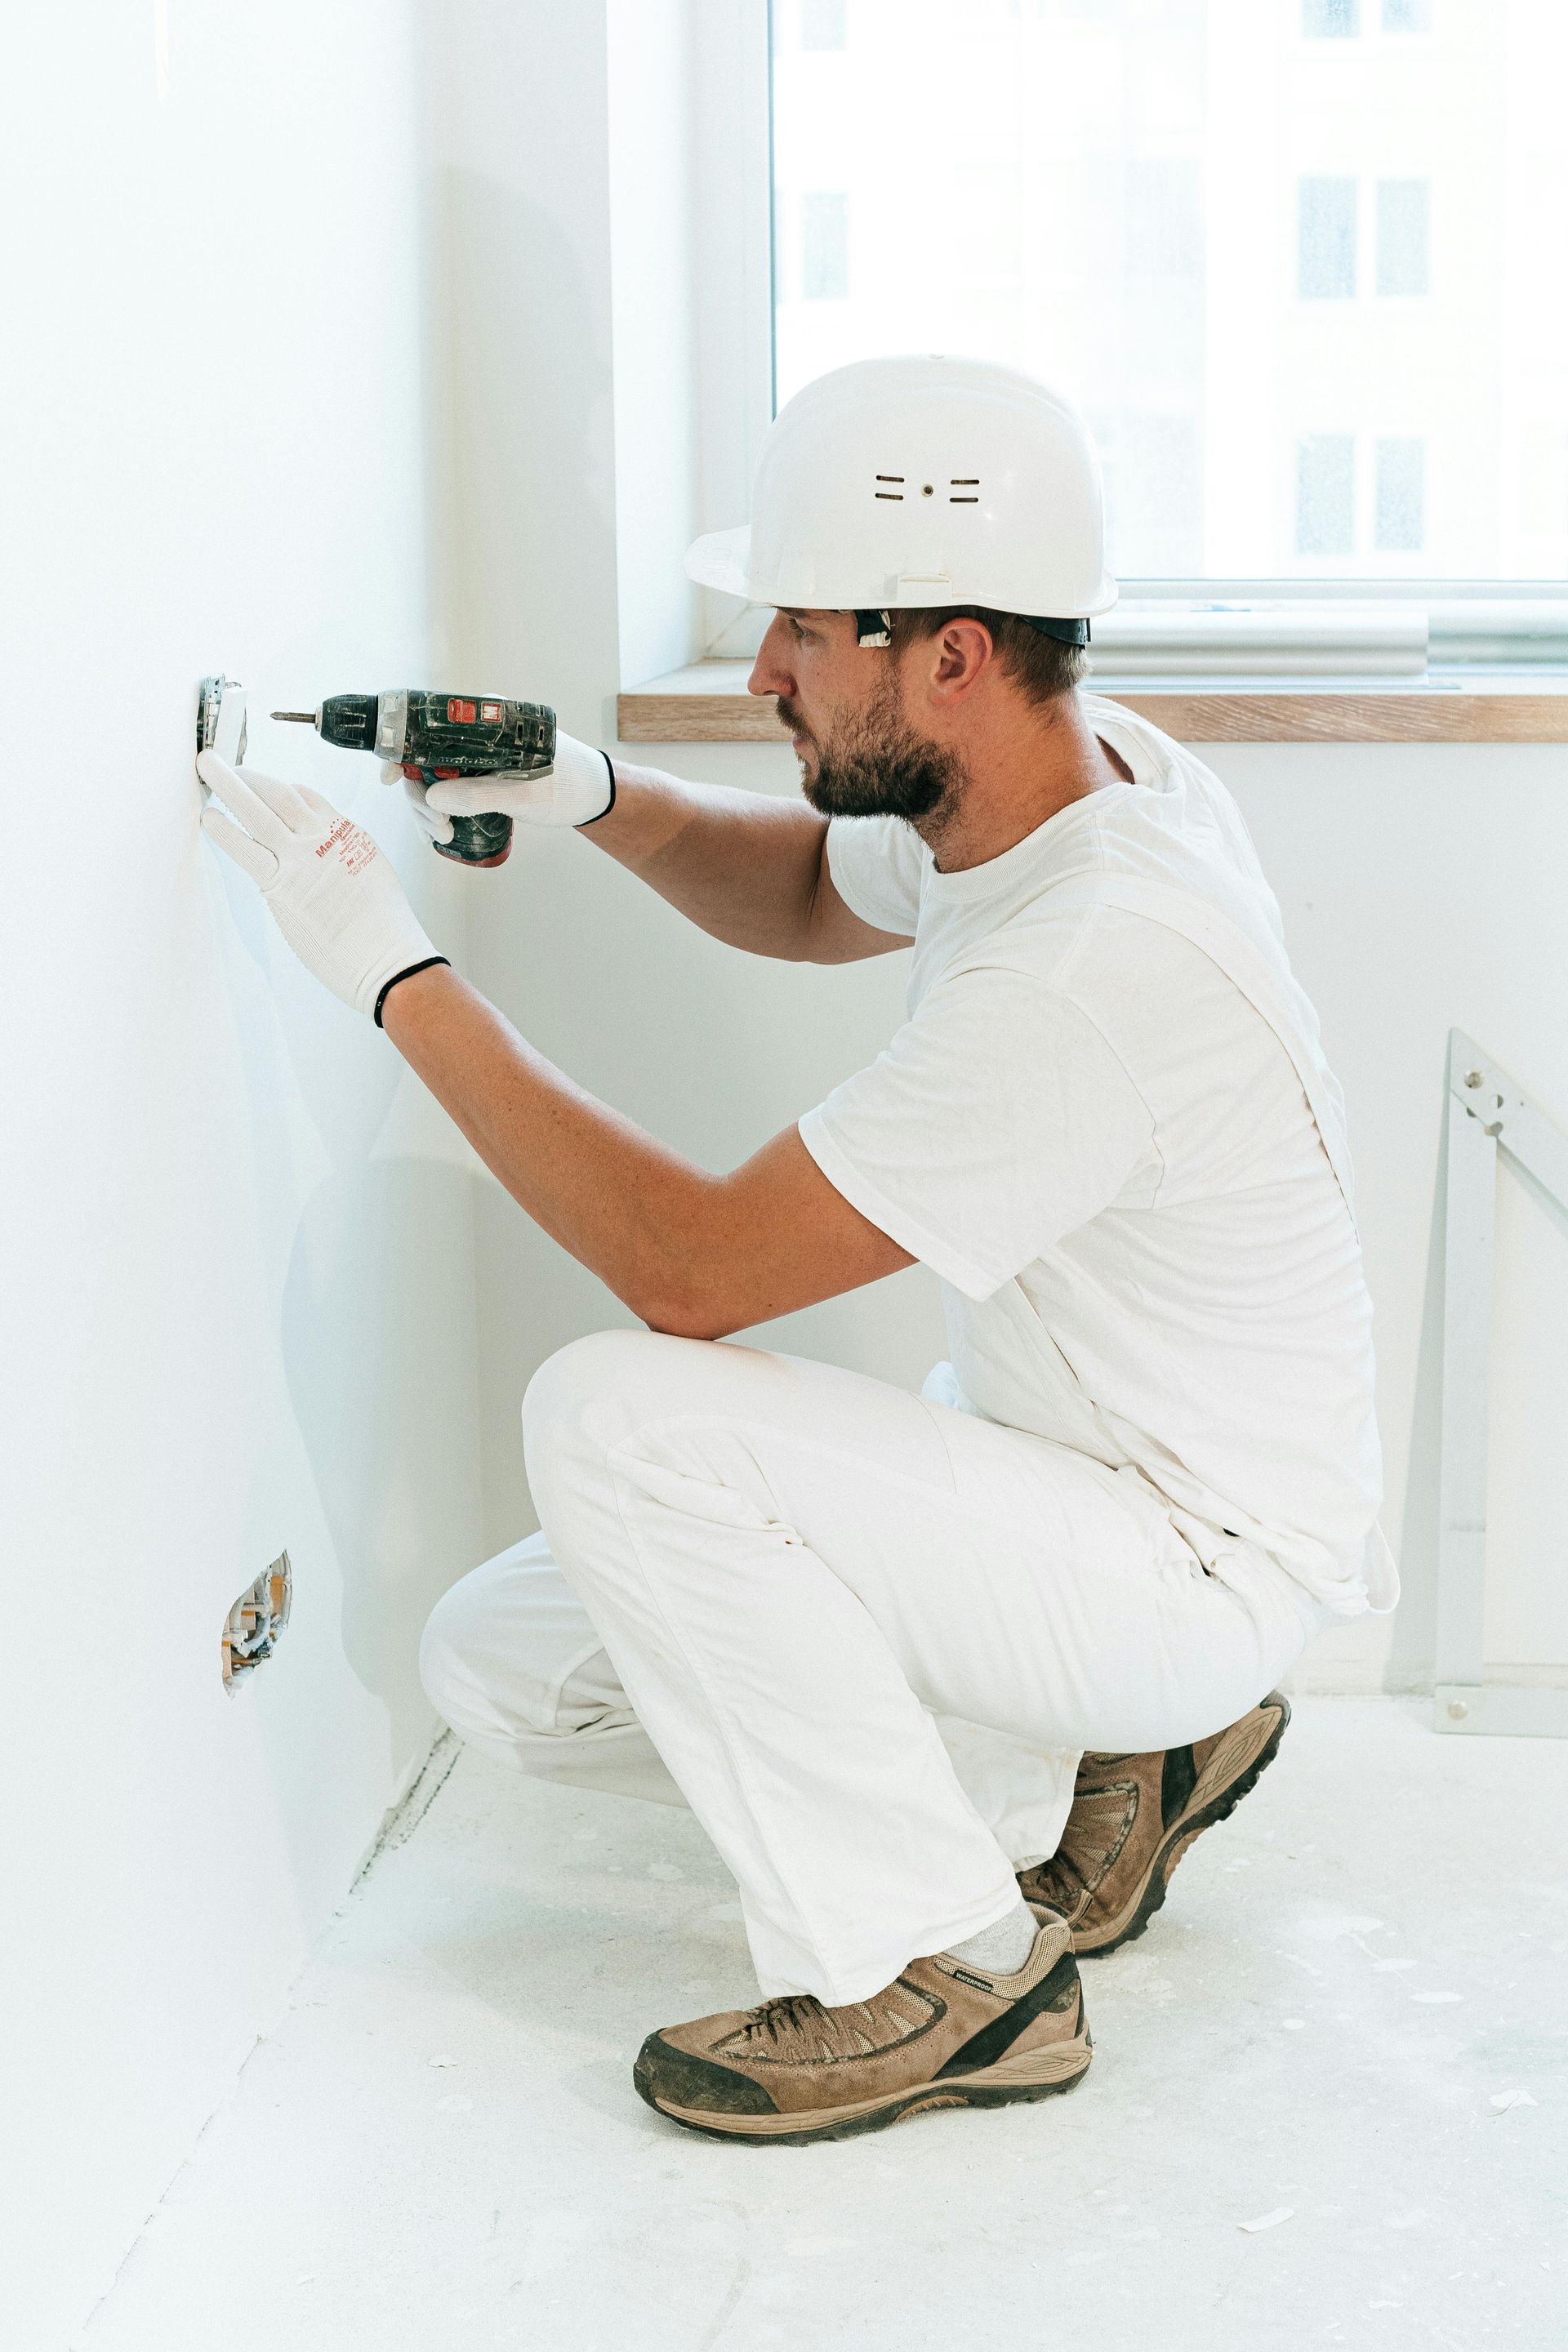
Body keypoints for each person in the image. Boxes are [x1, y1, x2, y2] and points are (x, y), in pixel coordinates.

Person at [199, 354, 1396, 2146]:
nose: (761, 672)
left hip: (1183, 1550)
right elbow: (821, 895)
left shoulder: (1099, 963)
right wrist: (585, 787)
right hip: (1074, 1475)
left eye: (798, 631)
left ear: (951, 654)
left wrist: (388, 968)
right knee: (503, 1664)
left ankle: (947, 1971)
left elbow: (688, 1269)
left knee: (624, 1415)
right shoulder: (1062, 780)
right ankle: (1117, 1749)